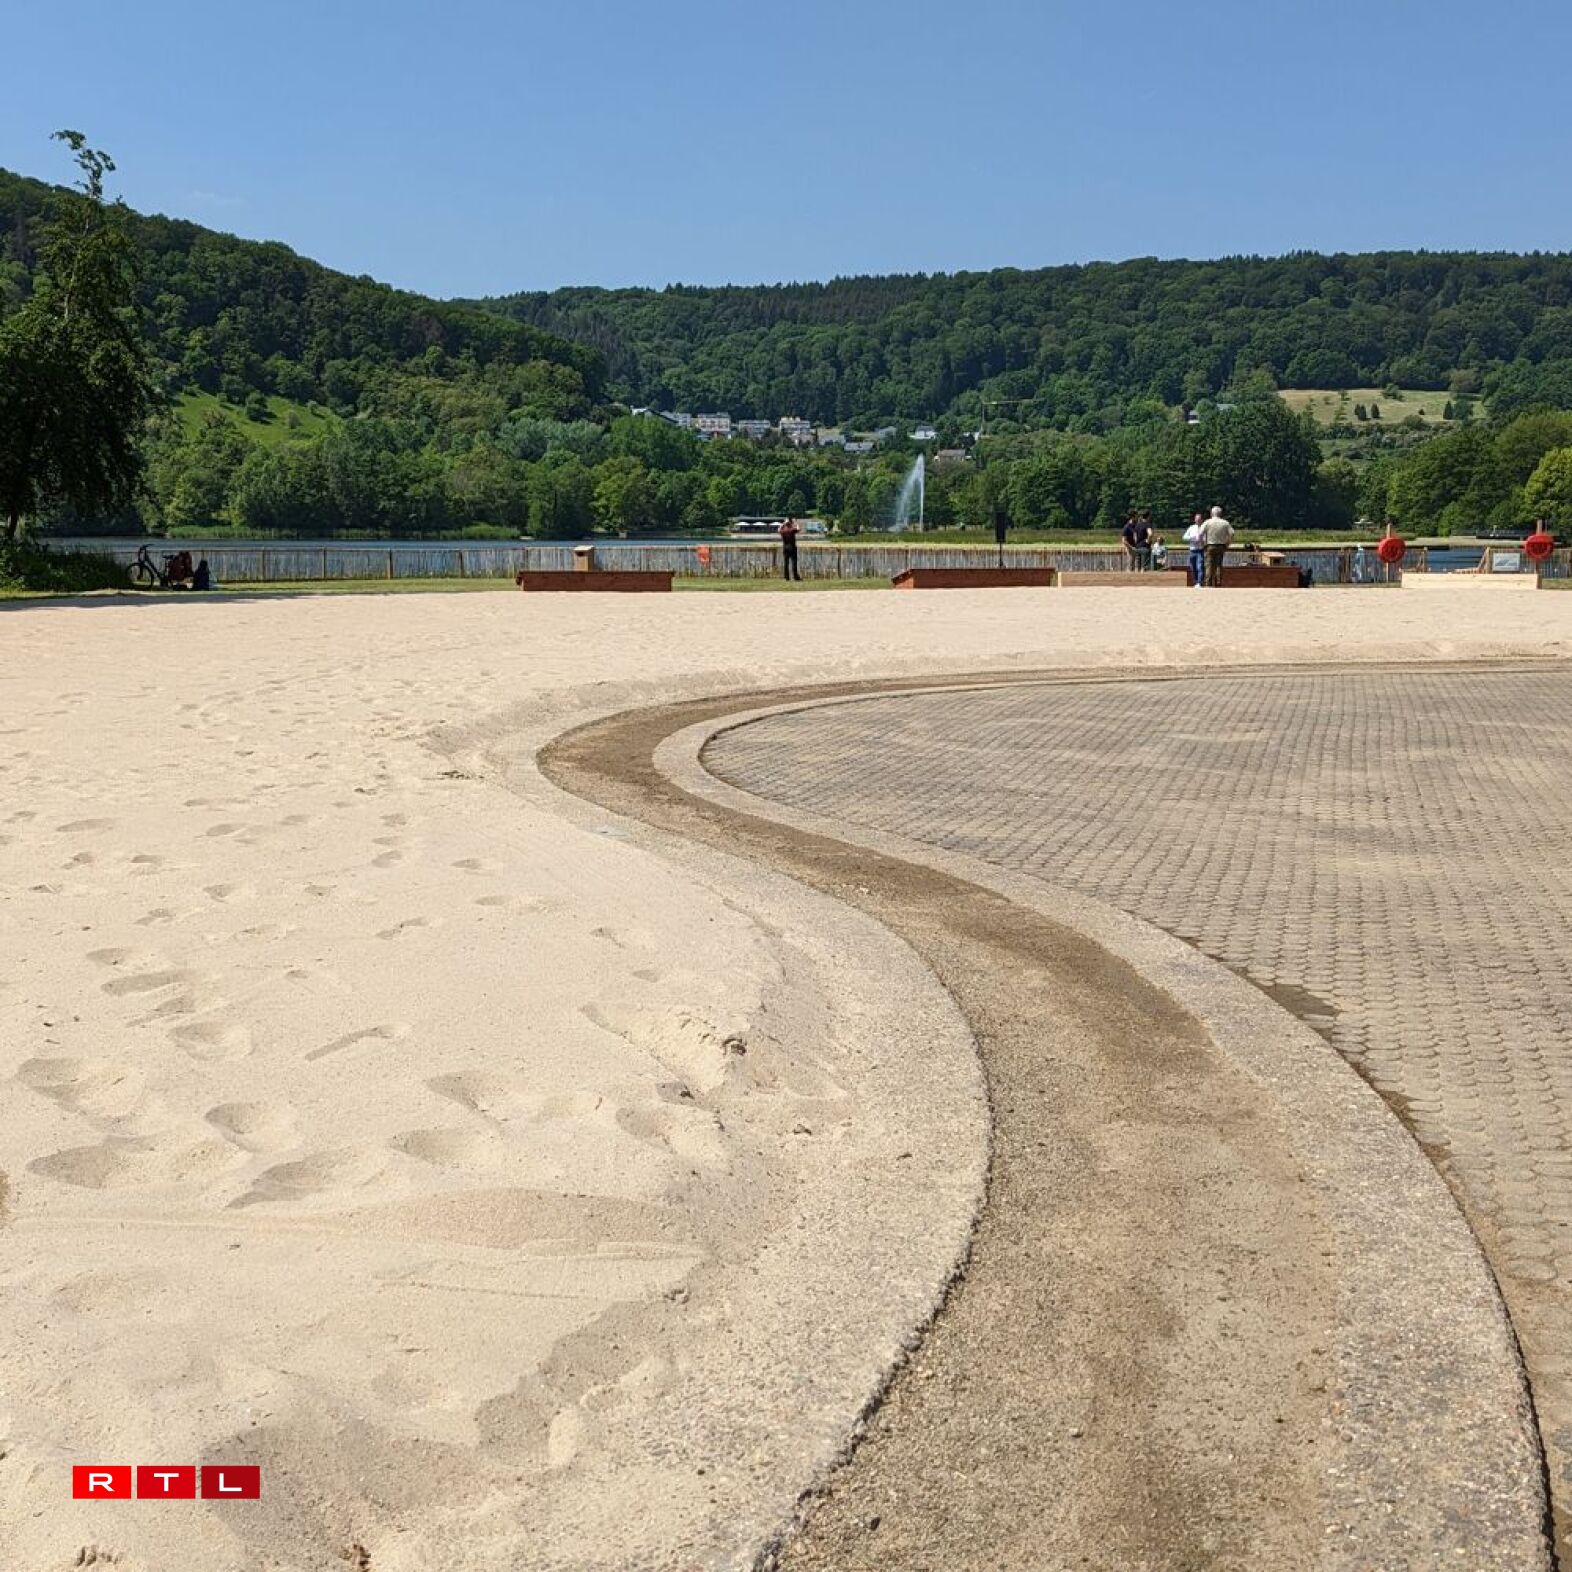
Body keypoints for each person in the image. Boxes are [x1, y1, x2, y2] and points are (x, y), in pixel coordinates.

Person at [1200, 506, 1235, 587]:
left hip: (1210, 545)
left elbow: (1200, 533)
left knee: (1209, 565)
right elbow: (1232, 533)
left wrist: (1203, 543)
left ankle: (1208, 583)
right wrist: (1228, 543)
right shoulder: (1225, 523)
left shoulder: (1207, 522)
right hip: (1221, 546)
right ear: (1220, 513)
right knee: (1219, 565)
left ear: (1212, 513)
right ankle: (1218, 583)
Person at [1183, 511, 1206, 587]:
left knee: (1200, 566)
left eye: (1199, 519)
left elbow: (1207, 538)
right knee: (1193, 567)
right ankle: (1196, 582)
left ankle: (1200, 582)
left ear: (1202, 520)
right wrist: (1192, 538)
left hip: (1200, 550)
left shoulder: (1204, 527)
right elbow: (1184, 537)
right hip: (1192, 550)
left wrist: (1202, 540)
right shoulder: (1191, 527)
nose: (1198, 520)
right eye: (1196, 519)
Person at [779, 516, 802, 581]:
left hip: (785, 548)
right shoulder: (791, 530)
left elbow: (778, 530)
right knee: (794, 562)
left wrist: (782, 524)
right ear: (790, 523)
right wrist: (796, 522)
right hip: (792, 548)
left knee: (786, 563)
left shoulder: (783, 531)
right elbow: (799, 529)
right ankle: (795, 577)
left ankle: (786, 577)